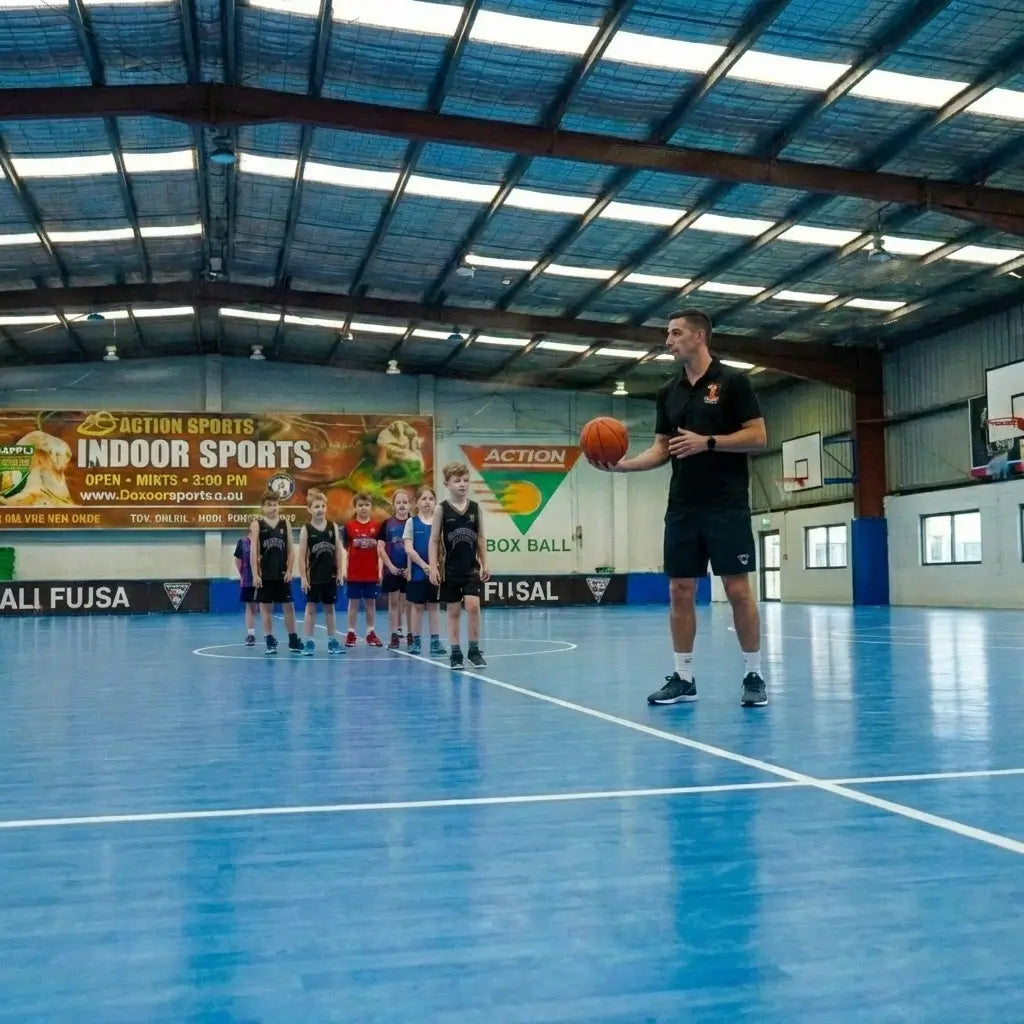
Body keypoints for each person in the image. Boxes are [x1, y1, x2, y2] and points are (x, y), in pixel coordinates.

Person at [589, 309, 768, 708]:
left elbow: (758, 436)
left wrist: (709, 442)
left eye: (675, 333)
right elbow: (661, 449)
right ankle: (684, 677)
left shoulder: (733, 381)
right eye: (668, 334)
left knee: (738, 590)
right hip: (683, 506)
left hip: (727, 504)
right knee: (680, 590)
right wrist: (622, 466)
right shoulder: (668, 391)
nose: (668, 341)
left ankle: (753, 674)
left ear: (699, 336)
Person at [429, 461, 489, 670]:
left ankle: (474, 650)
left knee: (473, 606)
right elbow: (434, 540)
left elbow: (481, 538)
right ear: (447, 484)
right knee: (453, 611)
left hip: (470, 567)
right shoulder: (441, 509)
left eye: (465, 480)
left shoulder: (475, 508)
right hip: (450, 569)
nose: (462, 484)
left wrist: (485, 563)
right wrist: (433, 566)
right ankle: (455, 652)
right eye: (457, 481)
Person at [249, 491, 302, 656]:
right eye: (269, 505)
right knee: (266, 608)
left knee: (289, 607)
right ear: (263, 507)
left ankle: (293, 639)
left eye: (275, 504)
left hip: (281, 573)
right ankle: (269, 639)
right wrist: (255, 574)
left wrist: (290, 569)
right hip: (265, 574)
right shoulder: (258, 524)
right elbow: (253, 551)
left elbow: (291, 550)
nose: (272, 508)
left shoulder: (284, 524)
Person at [297, 488, 344, 656]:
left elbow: (338, 551)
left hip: (329, 576)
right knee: (310, 609)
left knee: (330, 609)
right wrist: (303, 577)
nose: (320, 509)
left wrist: (340, 572)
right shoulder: (306, 529)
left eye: (323, 506)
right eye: (316, 506)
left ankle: (332, 641)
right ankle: (308, 641)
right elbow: (301, 555)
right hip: (313, 577)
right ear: (309, 509)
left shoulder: (333, 527)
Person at [403, 484, 447, 657]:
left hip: (435, 573)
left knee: (434, 607)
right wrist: (425, 566)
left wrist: (436, 567)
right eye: (423, 499)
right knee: (417, 607)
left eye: (430, 499)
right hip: (418, 572)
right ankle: (416, 641)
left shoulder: (440, 524)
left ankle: (435, 642)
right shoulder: (411, 522)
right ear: (417, 503)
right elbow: (409, 549)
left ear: (435, 502)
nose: (427, 502)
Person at [342, 491, 383, 647]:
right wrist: (345, 570)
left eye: (366, 505)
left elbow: (380, 549)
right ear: (355, 507)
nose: (364, 508)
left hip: (371, 573)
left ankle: (370, 632)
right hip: (354, 573)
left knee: (370, 604)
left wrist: (379, 571)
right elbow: (346, 548)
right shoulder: (349, 526)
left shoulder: (376, 527)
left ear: (371, 507)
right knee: (353, 604)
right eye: (360, 505)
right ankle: (351, 632)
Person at [378, 488, 413, 650]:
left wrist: (410, 567)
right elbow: (380, 548)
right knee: (393, 602)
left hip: (410, 570)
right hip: (392, 570)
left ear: (410, 505)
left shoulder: (414, 523)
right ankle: (393, 635)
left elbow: (416, 548)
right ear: (393, 505)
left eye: (405, 502)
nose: (402, 505)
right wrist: (390, 567)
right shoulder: (386, 524)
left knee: (409, 603)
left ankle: (411, 634)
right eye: (398, 502)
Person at [233, 528, 258, 647]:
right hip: (248, 581)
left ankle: (270, 636)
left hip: (264, 580)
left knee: (266, 607)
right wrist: (244, 573)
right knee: (250, 607)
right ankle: (251, 634)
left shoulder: (262, 541)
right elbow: (238, 561)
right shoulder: (242, 542)